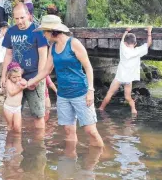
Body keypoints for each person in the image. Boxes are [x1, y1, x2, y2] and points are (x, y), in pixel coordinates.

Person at [27, 14, 104, 147]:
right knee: (68, 131)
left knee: (90, 130)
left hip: (80, 93)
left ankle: (100, 155)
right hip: (63, 95)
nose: (43, 35)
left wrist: (91, 90)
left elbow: (88, 67)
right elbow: (46, 71)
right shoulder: (52, 48)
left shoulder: (73, 43)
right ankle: (70, 161)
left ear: (52, 31)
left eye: (44, 31)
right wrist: (30, 82)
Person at [1, 3, 49, 130]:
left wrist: (38, 79)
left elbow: (43, 56)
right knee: (12, 114)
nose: (19, 21)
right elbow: (8, 55)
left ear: (29, 16)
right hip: (14, 79)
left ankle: (38, 147)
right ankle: (13, 146)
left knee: (38, 116)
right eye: (16, 19)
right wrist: (3, 76)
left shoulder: (38, 31)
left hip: (34, 76)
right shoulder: (11, 31)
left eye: (22, 18)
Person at [98, 26, 153, 114]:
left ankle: (101, 108)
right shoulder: (138, 51)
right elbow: (149, 43)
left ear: (125, 43)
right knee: (128, 97)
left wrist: (126, 31)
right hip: (129, 79)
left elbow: (122, 40)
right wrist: (149, 32)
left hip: (119, 78)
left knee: (109, 94)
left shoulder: (123, 48)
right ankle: (134, 110)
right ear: (135, 43)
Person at [3, 62, 27, 132]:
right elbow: (11, 93)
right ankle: (9, 141)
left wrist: (22, 83)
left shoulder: (21, 80)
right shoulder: (8, 82)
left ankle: (18, 142)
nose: (17, 79)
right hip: (8, 107)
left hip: (17, 108)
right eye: (14, 77)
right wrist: (20, 88)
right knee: (10, 126)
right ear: (9, 76)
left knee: (17, 127)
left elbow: (25, 83)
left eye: (19, 76)